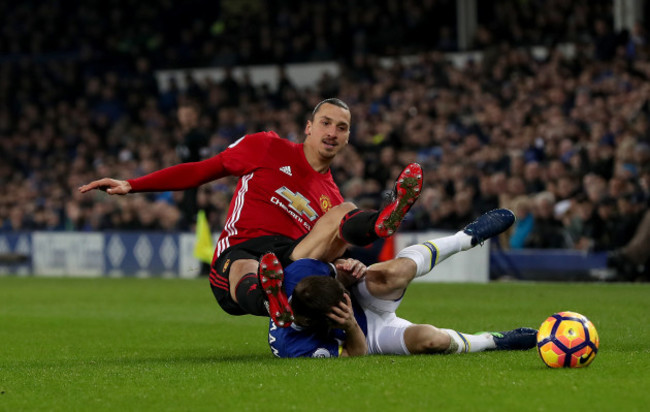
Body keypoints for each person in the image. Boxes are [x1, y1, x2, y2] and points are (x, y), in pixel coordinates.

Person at [79, 98, 423, 326]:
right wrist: (132, 184)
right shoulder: (265, 146)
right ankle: (269, 301)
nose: (332, 133)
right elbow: (201, 170)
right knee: (250, 266)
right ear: (309, 126)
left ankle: (382, 221)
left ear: (348, 138)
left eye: (342, 128)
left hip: (290, 259)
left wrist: (347, 265)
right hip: (241, 250)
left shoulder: (330, 196)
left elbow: (327, 251)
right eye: (325, 123)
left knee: (344, 212)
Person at [265, 208, 538, 357]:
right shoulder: (296, 348)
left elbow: (338, 270)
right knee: (433, 341)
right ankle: (493, 341)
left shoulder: (300, 273)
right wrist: (348, 323)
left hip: (362, 297)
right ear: (320, 321)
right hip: (364, 334)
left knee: (393, 273)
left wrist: (349, 269)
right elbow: (355, 354)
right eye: (340, 305)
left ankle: (464, 238)